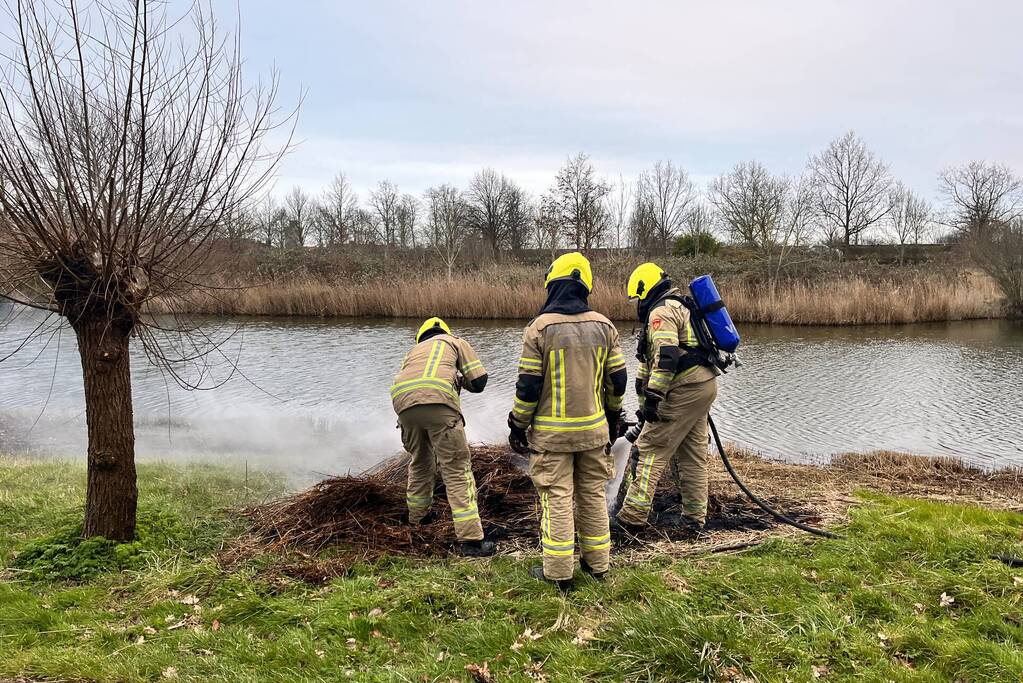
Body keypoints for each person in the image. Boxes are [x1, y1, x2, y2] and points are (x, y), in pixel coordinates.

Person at [507, 252, 628, 587]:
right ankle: (598, 567)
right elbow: (618, 381)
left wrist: (518, 425)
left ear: (552, 284)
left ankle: (559, 574)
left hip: (552, 437)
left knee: (557, 499)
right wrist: (613, 418)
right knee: (592, 495)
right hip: (594, 433)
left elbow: (528, 387)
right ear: (585, 286)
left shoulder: (539, 328)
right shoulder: (605, 326)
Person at [613, 263, 719, 533]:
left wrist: (653, 398)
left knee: (649, 449)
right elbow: (647, 366)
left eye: (637, 298)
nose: (637, 305)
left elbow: (667, 357)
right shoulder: (680, 306)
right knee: (692, 455)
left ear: (644, 289)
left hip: (683, 389)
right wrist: (642, 407)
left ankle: (631, 518)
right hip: (704, 386)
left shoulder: (661, 312)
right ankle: (694, 518)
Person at [391, 317, 495, 557]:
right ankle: (471, 541)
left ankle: (418, 520)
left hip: (404, 408)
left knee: (420, 463)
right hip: (439, 405)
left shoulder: (413, 352)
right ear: (445, 332)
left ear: (421, 336)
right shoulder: (454, 342)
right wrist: (460, 380)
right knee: (456, 470)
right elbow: (479, 381)